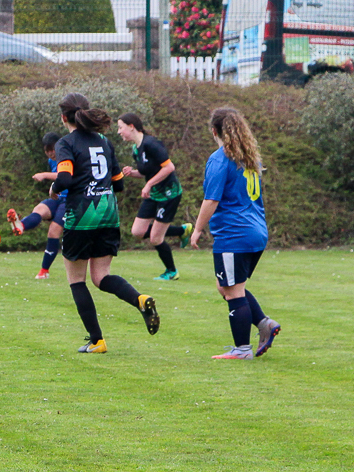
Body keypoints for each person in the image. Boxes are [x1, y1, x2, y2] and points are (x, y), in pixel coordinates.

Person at [52, 93, 160, 354]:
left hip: (81, 217)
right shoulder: (104, 141)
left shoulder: (66, 143)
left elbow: (65, 179)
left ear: (64, 117)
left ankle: (97, 340)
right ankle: (140, 299)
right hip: (108, 215)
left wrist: (55, 187)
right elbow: (119, 184)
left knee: (77, 280)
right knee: (101, 277)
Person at [190, 107, 281, 360]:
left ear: (214, 131)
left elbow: (211, 200)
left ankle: (242, 349)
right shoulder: (251, 158)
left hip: (234, 234)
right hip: (256, 232)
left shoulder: (220, 159)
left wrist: (197, 229)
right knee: (227, 286)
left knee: (232, 291)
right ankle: (264, 323)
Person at [116, 113, 194, 281]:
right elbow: (147, 171)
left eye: (120, 127)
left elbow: (169, 167)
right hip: (154, 194)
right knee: (137, 232)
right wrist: (132, 173)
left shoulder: (151, 144)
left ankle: (172, 272)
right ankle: (181, 230)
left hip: (169, 194)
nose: (118, 131)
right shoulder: (136, 149)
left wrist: (149, 184)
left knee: (155, 238)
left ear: (131, 126)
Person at [7, 132, 65, 279]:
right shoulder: (51, 161)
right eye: (47, 150)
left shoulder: (67, 156)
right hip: (57, 197)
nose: (50, 153)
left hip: (72, 200)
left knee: (53, 231)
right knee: (39, 210)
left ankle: (44, 271)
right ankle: (20, 226)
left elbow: (64, 175)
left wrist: (44, 175)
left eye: (52, 149)